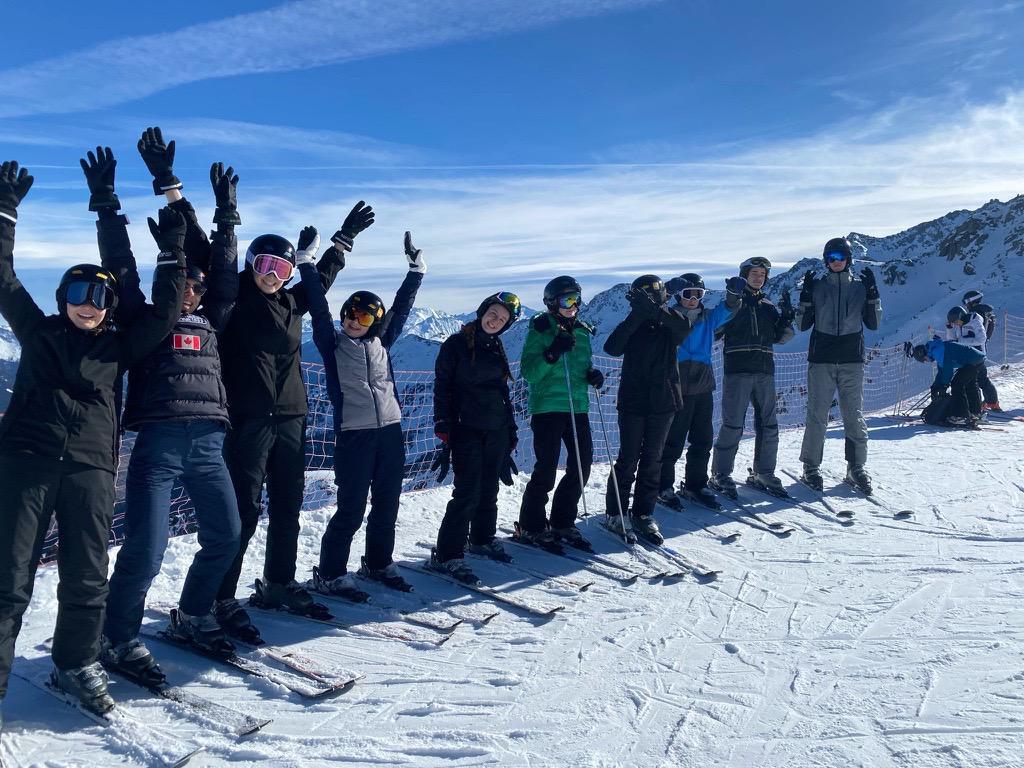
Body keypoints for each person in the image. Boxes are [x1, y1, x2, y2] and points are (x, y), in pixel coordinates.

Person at [0, 157, 186, 718]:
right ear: (62, 296)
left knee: (86, 578)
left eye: (100, 297)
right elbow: (3, 277)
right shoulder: (37, 331)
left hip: (90, 470)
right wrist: (4, 212)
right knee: (9, 581)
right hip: (26, 464)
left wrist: (161, 220)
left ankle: (76, 661)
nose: (89, 303)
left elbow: (169, 304)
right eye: (79, 291)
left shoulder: (120, 346)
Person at [102, 131, 241, 680]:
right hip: (158, 443)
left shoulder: (215, 319)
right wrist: (110, 206)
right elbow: (120, 263)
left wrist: (194, 199)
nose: (191, 289)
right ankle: (116, 638)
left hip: (210, 442)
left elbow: (226, 266)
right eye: (182, 279)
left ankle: (194, 613)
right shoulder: (144, 315)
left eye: (197, 283)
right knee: (147, 549)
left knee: (227, 536)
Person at [213, 202, 371, 643]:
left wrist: (342, 241)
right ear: (251, 264)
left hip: (291, 418)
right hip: (247, 420)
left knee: (287, 506)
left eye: (282, 268)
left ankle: (278, 584)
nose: (273, 274)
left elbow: (320, 281)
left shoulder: (290, 301)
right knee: (242, 512)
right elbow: (219, 265)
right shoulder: (237, 296)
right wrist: (219, 216)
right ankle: (220, 596)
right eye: (265, 264)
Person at [300, 229, 425, 600]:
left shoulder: (382, 343)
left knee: (387, 502)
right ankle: (330, 573)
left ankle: (377, 562)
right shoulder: (331, 343)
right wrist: (306, 263)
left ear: (375, 323)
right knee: (351, 507)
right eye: (351, 314)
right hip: (354, 435)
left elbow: (401, 307)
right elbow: (318, 307)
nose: (355, 321)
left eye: (365, 317)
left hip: (390, 431)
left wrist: (416, 271)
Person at [428, 292, 522, 584]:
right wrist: (443, 422)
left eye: (503, 320)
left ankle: (481, 538)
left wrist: (510, 429)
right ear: (483, 311)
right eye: (494, 313)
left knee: (489, 487)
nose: (496, 321)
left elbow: (502, 391)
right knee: (467, 491)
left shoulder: (496, 346)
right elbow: (442, 385)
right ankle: (448, 554)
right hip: (465, 426)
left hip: (495, 427)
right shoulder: (455, 344)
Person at [515, 276, 603, 553]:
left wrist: (591, 376)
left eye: (577, 298)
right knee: (546, 468)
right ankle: (531, 525)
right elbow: (529, 372)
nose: (573, 305)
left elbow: (581, 366)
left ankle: (563, 521)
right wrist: (552, 352)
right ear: (552, 303)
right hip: (548, 408)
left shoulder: (582, 330)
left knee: (582, 465)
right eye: (567, 300)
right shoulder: (541, 327)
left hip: (577, 407)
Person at [603, 275, 692, 545]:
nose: (655, 298)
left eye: (658, 293)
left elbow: (684, 329)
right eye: (649, 295)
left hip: (663, 400)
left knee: (654, 458)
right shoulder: (634, 322)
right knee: (628, 458)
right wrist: (638, 315)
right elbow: (612, 347)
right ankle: (615, 513)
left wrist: (654, 311)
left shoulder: (671, 319)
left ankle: (644, 512)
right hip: (633, 400)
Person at [795, 237, 881, 494]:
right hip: (821, 358)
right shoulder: (818, 286)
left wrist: (873, 297)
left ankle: (856, 466)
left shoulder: (860, 287)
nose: (836, 262)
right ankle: (811, 467)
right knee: (817, 414)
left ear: (848, 259)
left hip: (851, 359)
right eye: (831, 258)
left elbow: (874, 323)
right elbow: (802, 325)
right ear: (825, 260)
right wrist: (806, 297)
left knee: (853, 414)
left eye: (840, 257)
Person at [708, 258, 794, 498]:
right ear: (744, 275)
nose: (758, 277)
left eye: (762, 274)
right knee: (733, 424)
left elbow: (781, 338)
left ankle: (764, 472)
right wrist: (730, 302)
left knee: (769, 425)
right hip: (738, 371)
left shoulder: (767, 305)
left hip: (765, 371)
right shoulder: (734, 303)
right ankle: (720, 473)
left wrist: (786, 319)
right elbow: (715, 331)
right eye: (754, 273)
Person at [657, 273, 740, 510]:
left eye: (698, 294)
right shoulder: (670, 317)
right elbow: (655, 313)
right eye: (687, 294)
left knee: (702, 439)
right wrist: (666, 294)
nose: (693, 299)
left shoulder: (707, 318)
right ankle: (663, 485)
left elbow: (727, 310)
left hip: (702, 385)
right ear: (680, 296)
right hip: (677, 384)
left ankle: (696, 484)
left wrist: (734, 295)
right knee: (673, 440)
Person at [911, 338, 985, 426]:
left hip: (972, 361)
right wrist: (935, 386)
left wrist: (944, 386)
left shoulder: (937, 351)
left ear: (923, 353)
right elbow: (941, 371)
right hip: (975, 359)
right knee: (969, 385)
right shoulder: (936, 349)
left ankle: (961, 416)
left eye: (924, 359)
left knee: (957, 385)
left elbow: (947, 370)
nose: (926, 361)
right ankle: (976, 413)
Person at [957, 291, 1001, 411]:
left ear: (972, 301)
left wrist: (962, 339)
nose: (966, 305)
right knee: (981, 378)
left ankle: (979, 405)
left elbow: (977, 334)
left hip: (974, 350)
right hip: (981, 349)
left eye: (966, 302)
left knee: (976, 379)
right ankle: (991, 402)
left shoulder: (976, 315)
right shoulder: (987, 313)